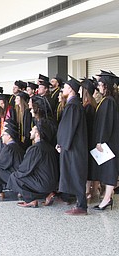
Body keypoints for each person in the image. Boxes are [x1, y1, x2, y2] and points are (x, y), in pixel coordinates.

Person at [56, 75, 88, 215]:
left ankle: (81, 206)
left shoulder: (73, 106)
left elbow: (69, 128)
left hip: (74, 147)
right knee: (74, 173)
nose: (63, 89)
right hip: (72, 146)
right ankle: (77, 203)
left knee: (76, 174)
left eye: (65, 87)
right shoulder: (73, 104)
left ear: (71, 90)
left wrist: (62, 144)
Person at [7, 120, 59, 207]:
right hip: (53, 184)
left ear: (37, 134)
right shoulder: (50, 147)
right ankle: (48, 194)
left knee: (14, 177)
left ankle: (31, 200)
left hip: (44, 184)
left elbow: (24, 169)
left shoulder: (36, 149)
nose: (30, 131)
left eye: (33, 130)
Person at [90, 70, 119, 211]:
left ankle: (107, 199)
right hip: (108, 141)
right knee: (107, 170)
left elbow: (106, 123)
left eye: (101, 84)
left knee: (109, 170)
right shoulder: (106, 100)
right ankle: (109, 196)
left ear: (106, 86)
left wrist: (101, 141)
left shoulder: (108, 102)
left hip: (109, 142)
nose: (99, 87)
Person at [0, 120, 25, 199]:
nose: (2, 137)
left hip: (16, 177)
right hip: (20, 175)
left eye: (4, 135)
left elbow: (1, 164)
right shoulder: (17, 145)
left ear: (9, 136)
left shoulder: (9, 148)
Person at [81, 78, 98, 199]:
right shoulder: (93, 105)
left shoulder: (88, 107)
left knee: (89, 166)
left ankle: (88, 190)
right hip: (91, 139)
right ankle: (93, 190)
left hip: (88, 139)